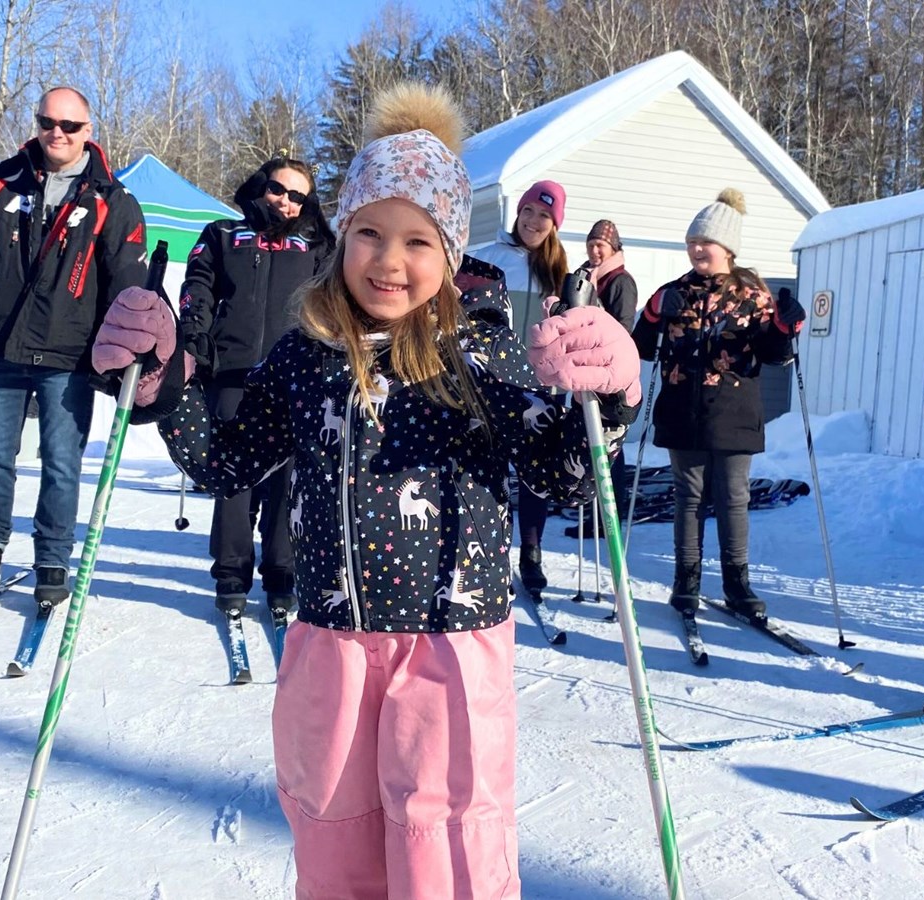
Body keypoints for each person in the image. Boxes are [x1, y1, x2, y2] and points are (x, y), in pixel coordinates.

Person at [90, 83, 639, 899]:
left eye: (419, 240)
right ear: (341, 237)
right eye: (369, 233)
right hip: (331, 644)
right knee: (334, 837)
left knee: (445, 844)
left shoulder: (481, 356)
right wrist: (161, 384)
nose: (389, 259)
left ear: (451, 253)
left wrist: (607, 403)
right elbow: (228, 465)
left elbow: (561, 481)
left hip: (449, 646)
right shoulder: (305, 355)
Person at [0, 86, 146, 610]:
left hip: (67, 357)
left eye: (70, 126)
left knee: (61, 463)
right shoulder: (1, 183)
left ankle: (53, 558)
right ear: (37, 124)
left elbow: (127, 289)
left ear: (87, 133)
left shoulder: (111, 200)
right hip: (0, 349)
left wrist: (124, 356)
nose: (58, 133)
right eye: (48, 122)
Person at [631, 188, 805, 621]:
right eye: (691, 241)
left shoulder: (752, 294)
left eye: (703, 242)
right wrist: (652, 313)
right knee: (688, 497)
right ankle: (685, 582)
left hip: (733, 413)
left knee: (732, 498)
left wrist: (786, 327)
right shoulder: (673, 292)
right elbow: (641, 347)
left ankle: (737, 584)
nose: (695, 249)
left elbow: (776, 355)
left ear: (726, 247)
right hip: (681, 409)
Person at [177, 158, 333, 617]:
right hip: (233, 372)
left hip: (294, 376)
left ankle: (282, 572)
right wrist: (195, 337)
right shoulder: (223, 234)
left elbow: (336, 303)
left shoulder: (317, 245)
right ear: (260, 185)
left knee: (287, 479)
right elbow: (198, 287)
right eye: (277, 188)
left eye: (297, 195)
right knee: (234, 478)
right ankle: (231, 573)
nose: (284, 200)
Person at [470, 181, 571, 594]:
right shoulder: (487, 259)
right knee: (486, 469)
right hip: (492, 383)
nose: (532, 221)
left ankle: (531, 554)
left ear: (554, 224)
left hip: (540, 387)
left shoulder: (560, 273)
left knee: (533, 476)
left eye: (543, 216)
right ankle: (484, 550)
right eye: (528, 211)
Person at [576, 218, 638, 519]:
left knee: (610, 442)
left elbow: (623, 329)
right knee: (590, 438)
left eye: (600, 245)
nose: (594, 251)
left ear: (613, 248)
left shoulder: (620, 281)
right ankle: (594, 509)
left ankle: (611, 512)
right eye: (591, 245)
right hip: (586, 369)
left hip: (611, 373)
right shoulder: (586, 276)